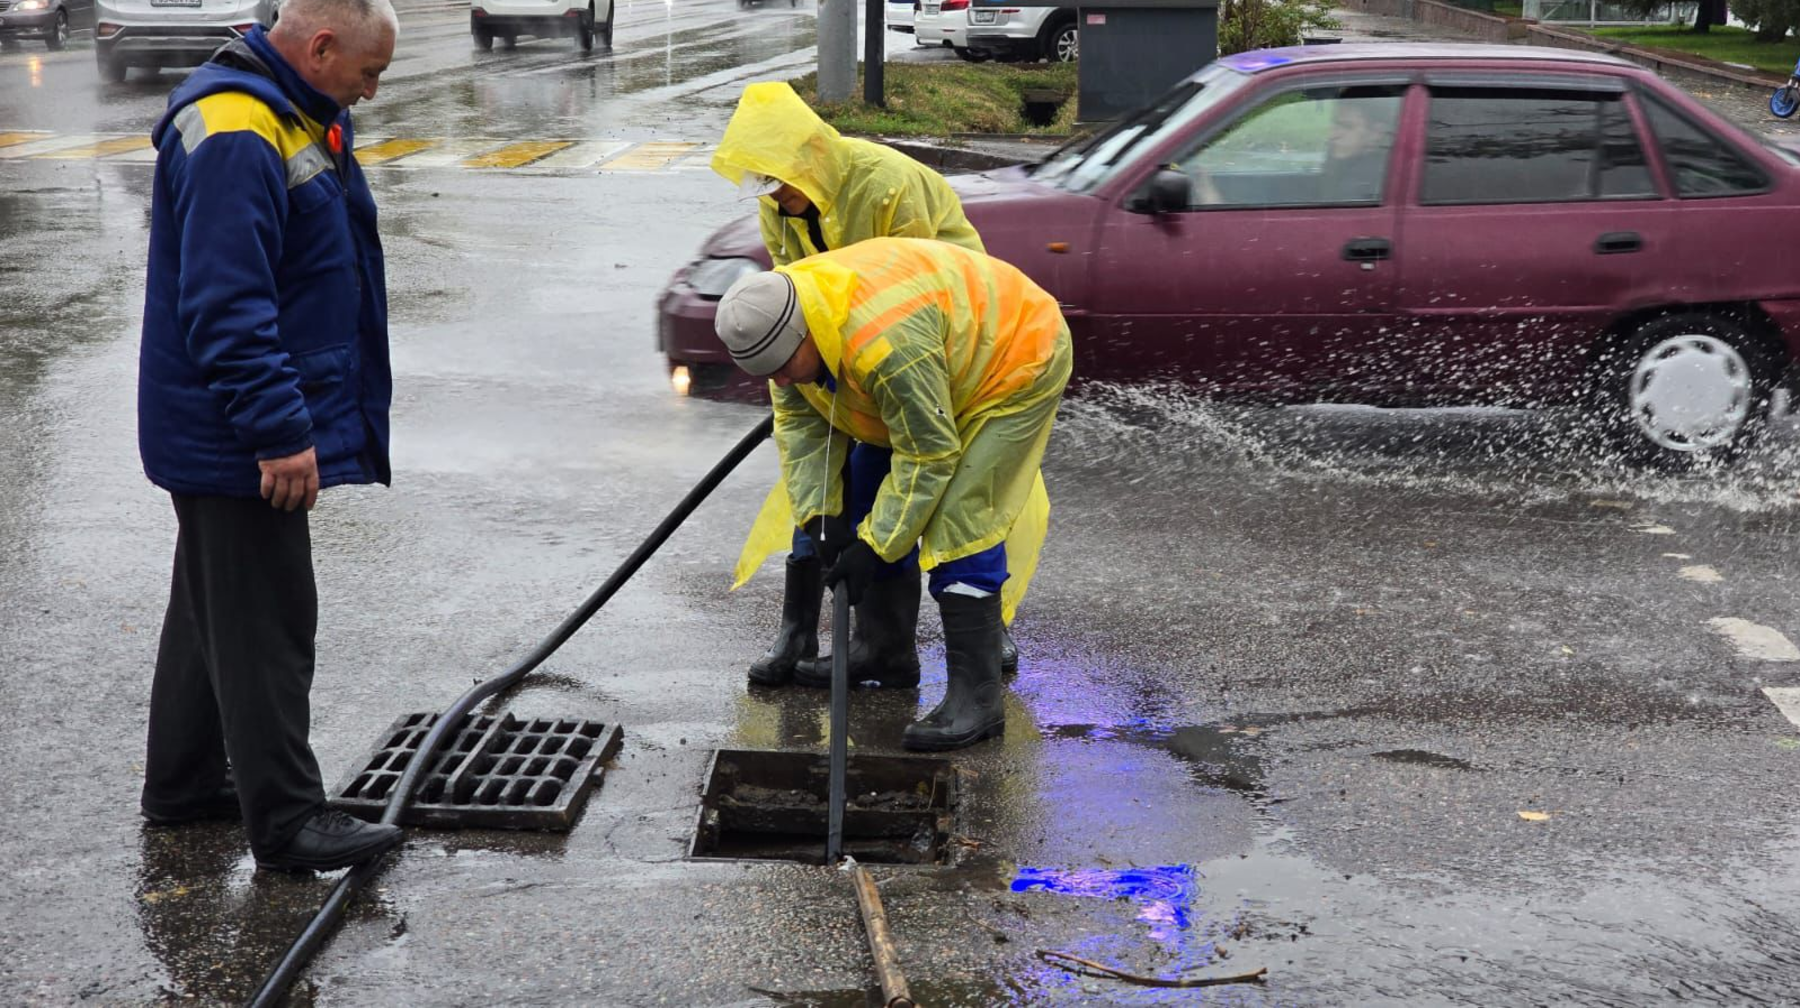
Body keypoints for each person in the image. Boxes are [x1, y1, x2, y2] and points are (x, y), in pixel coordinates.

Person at [136, 0, 403, 873]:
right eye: (367, 72)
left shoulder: (286, 111)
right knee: (269, 625)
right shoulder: (240, 131)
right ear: (320, 47)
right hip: (236, 434)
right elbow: (225, 306)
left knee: (211, 610)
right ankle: (288, 823)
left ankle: (182, 787)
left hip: (223, 429)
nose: (369, 91)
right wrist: (281, 432)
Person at [714, 238, 1072, 752]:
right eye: (768, 373)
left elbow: (929, 453)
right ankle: (884, 653)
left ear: (806, 334)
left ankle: (978, 700)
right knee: (863, 490)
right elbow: (801, 424)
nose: (780, 380)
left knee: (960, 519)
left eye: (786, 367)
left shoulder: (885, 344)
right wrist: (823, 516)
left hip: (1013, 358)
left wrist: (875, 547)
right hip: (935, 359)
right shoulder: (783, 331)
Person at [710, 81, 994, 694]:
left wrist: (868, 373)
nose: (775, 198)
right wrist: (801, 377)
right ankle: (815, 632)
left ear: (808, 160)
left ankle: (984, 634)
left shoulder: (888, 185)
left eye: (779, 180)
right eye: (763, 185)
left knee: (948, 492)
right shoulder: (777, 205)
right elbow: (792, 294)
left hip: (928, 347)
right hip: (835, 349)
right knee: (819, 484)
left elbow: (927, 285)